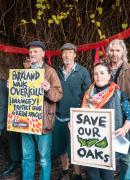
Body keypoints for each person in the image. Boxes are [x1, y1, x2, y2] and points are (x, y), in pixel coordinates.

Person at [82, 62, 130, 180]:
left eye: (102, 73)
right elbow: (80, 117)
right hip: (92, 144)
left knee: (107, 176)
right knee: (92, 176)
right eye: (96, 74)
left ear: (109, 75)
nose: (99, 76)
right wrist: (73, 124)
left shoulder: (119, 94)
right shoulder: (86, 95)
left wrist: (124, 129)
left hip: (110, 143)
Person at [21, 40, 63, 180]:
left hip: (43, 121)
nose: (32, 54)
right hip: (25, 121)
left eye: (35, 51)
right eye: (31, 51)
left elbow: (58, 95)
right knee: (27, 157)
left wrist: (48, 89)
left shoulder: (50, 72)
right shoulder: (24, 72)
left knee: (44, 159)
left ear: (43, 54)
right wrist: (12, 87)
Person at [52, 43, 91, 180]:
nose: (67, 55)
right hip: (58, 116)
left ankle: (78, 174)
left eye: (69, 52)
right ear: (61, 55)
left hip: (75, 117)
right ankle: (65, 172)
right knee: (61, 148)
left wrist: (81, 114)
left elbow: (88, 94)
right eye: (64, 53)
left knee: (75, 149)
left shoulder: (82, 72)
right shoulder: (56, 72)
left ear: (75, 54)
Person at [106, 39, 130, 180]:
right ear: (108, 52)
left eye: (118, 50)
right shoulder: (102, 68)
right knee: (107, 153)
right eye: (112, 50)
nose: (114, 53)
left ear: (123, 52)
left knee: (124, 155)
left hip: (125, 118)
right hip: (105, 118)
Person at [2, 57, 31, 177]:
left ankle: (27, 164)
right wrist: (9, 87)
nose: (27, 63)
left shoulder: (41, 74)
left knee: (28, 141)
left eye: (29, 60)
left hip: (32, 115)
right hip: (17, 113)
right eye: (25, 61)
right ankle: (15, 161)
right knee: (14, 137)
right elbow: (10, 96)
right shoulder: (17, 75)